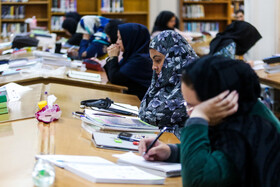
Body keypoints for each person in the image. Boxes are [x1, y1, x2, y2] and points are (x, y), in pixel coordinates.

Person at [139, 55, 280, 187]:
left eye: (194, 106)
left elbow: (196, 180)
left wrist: (198, 118)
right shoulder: (241, 115)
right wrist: (172, 151)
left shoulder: (248, 133)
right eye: (187, 104)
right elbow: (215, 151)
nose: (189, 112)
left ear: (222, 101)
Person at [139, 30, 198, 138]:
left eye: (158, 60)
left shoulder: (194, 83)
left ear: (173, 57)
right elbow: (145, 112)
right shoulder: (165, 79)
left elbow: (157, 116)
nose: (153, 67)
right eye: (153, 61)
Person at [104, 23, 153, 100]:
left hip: (140, 104)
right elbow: (112, 76)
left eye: (120, 39)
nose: (116, 42)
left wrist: (113, 57)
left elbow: (115, 79)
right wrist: (111, 58)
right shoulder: (131, 56)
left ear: (130, 39)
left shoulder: (141, 60)